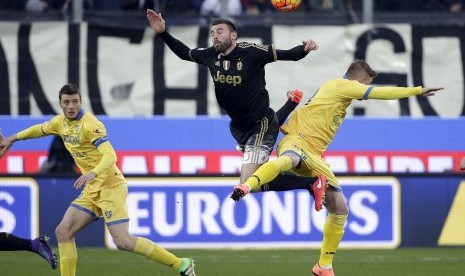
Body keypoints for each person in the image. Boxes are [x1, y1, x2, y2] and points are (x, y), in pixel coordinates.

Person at [230, 60, 444, 276]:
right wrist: (418, 90)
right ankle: (247, 186)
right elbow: (382, 94)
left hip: (314, 154)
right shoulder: (344, 85)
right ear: (360, 79)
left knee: (340, 209)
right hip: (298, 141)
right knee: (290, 159)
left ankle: (323, 266)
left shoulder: (333, 89)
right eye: (365, 84)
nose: (362, 90)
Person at [0, 84, 196, 276]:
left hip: (110, 185)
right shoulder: (59, 123)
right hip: (92, 188)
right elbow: (39, 129)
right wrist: (12, 139)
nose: (71, 106)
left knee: (123, 241)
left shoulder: (90, 124)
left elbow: (110, 156)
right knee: (63, 231)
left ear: (81, 101)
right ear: (60, 104)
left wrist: (92, 173)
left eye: (75, 101)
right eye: (66, 102)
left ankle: (180, 264)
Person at [147, 10, 327, 210]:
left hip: (261, 125)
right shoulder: (210, 55)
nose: (215, 35)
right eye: (212, 32)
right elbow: (184, 53)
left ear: (234, 36)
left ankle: (311, 182)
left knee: (249, 182)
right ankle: (292, 104)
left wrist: (305, 48)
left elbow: (290, 55)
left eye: (220, 31)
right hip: (239, 128)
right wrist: (163, 32)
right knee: (255, 181)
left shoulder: (251, 52)